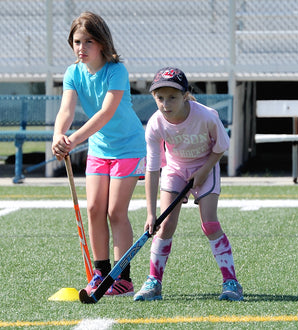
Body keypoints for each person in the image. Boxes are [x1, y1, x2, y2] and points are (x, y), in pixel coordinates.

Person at [52, 11, 146, 297]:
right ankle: (101, 274)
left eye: (88, 41)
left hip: (128, 147)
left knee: (115, 211)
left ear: (102, 43)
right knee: (94, 209)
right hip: (99, 148)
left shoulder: (116, 71)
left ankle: (123, 279)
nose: (81, 48)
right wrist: (59, 135)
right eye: (77, 41)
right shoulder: (73, 73)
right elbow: (66, 111)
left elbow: (106, 112)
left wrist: (74, 139)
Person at [133, 67, 243, 302]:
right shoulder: (154, 124)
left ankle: (231, 282)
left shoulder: (206, 116)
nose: (165, 104)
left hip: (206, 165)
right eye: (159, 98)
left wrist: (203, 172)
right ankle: (154, 282)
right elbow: (153, 170)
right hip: (175, 169)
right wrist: (151, 213)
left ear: (185, 95)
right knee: (165, 225)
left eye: (172, 97)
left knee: (210, 224)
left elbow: (221, 146)